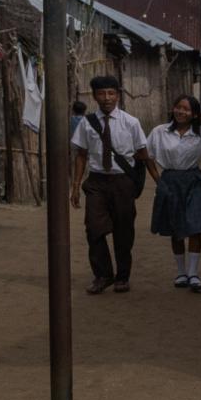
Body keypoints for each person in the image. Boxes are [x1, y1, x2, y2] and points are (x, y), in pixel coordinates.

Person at [70, 74, 149, 294]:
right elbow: (81, 155)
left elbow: (143, 154)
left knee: (124, 231)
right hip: (96, 181)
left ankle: (122, 276)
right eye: (102, 93)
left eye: (111, 93)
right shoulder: (87, 124)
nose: (107, 98)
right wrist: (75, 186)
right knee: (93, 229)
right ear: (94, 96)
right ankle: (103, 275)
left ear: (118, 95)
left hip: (123, 182)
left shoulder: (131, 122)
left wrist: (157, 181)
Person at [147, 92, 201, 290]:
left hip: (194, 180)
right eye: (178, 107)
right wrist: (158, 180)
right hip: (169, 180)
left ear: (195, 114)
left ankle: (194, 274)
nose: (181, 111)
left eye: (186, 109)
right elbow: (147, 155)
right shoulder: (159, 131)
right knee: (175, 228)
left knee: (196, 225)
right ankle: (181, 273)